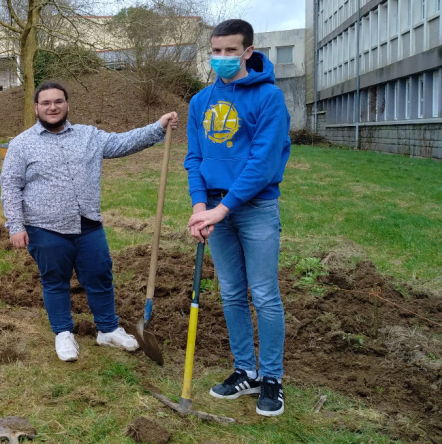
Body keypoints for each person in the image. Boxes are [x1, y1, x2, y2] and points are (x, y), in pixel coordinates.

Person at [0, 80, 178, 362]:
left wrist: (158, 126)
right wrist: (16, 225)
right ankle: (63, 333)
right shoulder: (22, 144)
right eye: (45, 103)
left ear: (67, 104)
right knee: (55, 281)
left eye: (58, 101)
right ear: (36, 108)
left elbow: (123, 142)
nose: (52, 107)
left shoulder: (89, 136)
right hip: (45, 228)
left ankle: (107, 329)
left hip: (88, 224)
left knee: (100, 276)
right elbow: (10, 186)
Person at [184, 19, 291, 417]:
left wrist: (222, 208)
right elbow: (195, 158)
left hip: (255, 209)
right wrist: (200, 207)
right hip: (214, 209)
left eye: (231, 51)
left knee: (263, 294)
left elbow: (263, 164)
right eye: (216, 51)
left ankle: (272, 377)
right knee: (230, 293)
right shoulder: (200, 102)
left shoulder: (269, 98)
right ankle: (245, 370)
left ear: (248, 52)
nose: (223, 59)